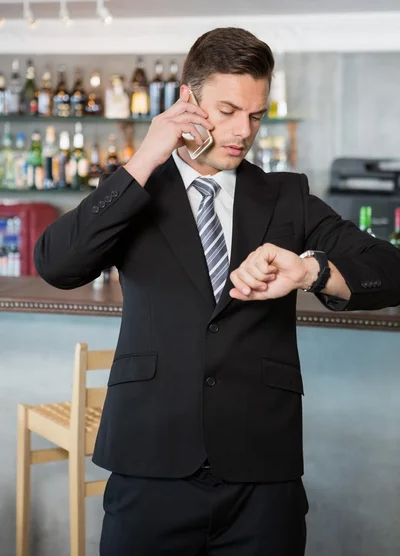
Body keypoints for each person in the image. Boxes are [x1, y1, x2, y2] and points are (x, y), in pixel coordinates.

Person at [34, 27, 400, 556]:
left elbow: (389, 268)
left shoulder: (287, 196)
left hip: (262, 474)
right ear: (188, 100)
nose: (242, 130)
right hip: (150, 465)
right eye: (226, 110)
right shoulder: (136, 192)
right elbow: (57, 264)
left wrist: (309, 272)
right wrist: (144, 160)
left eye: (255, 115)